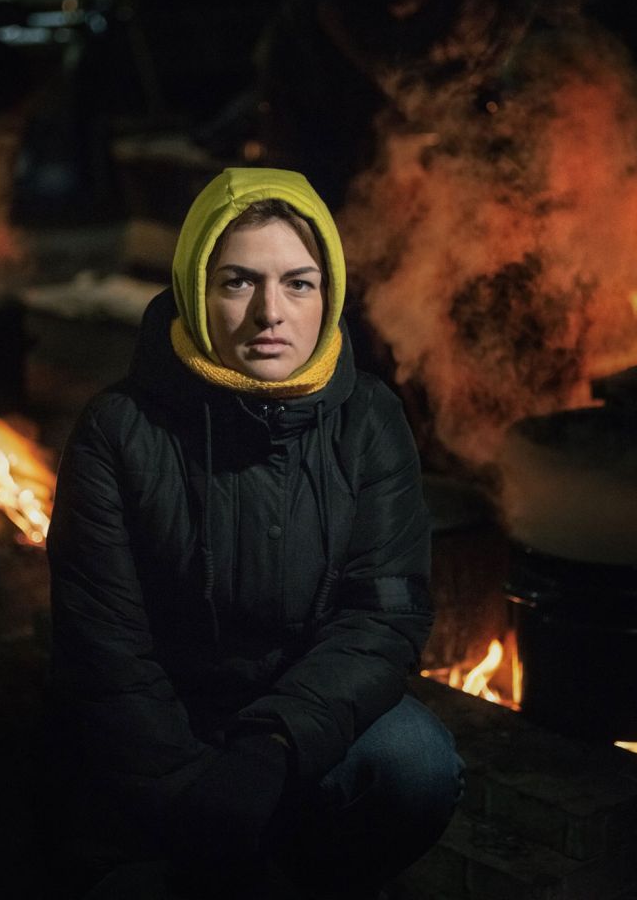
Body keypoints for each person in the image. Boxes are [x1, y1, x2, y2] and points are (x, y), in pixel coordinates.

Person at [45, 167, 463, 899]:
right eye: (238, 282)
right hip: (167, 727)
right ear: (195, 292)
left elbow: (382, 617)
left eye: (299, 283)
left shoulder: (367, 420)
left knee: (417, 763)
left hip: (298, 724)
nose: (271, 312)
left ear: (329, 295)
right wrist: (190, 796)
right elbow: (105, 645)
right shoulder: (119, 431)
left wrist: (273, 748)